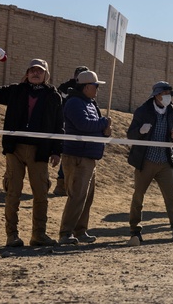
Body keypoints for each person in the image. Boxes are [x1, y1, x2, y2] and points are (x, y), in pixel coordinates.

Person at [0, 55, 64, 247]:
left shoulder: (54, 95)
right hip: (14, 149)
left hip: (40, 151)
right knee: (13, 193)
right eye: (32, 70)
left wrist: (57, 151)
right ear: (26, 73)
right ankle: (12, 235)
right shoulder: (16, 91)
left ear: (46, 75)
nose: (35, 73)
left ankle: (39, 235)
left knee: (41, 194)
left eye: (39, 70)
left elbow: (59, 125)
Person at [126, 81, 173, 245]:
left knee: (172, 197)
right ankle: (135, 230)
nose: (168, 97)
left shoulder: (172, 112)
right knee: (138, 197)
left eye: (169, 94)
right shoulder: (143, 111)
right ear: (156, 95)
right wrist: (140, 131)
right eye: (165, 94)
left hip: (164, 160)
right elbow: (131, 135)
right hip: (146, 160)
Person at [58, 70, 111, 245]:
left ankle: (80, 230)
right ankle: (66, 232)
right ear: (87, 86)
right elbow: (84, 125)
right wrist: (104, 123)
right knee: (77, 196)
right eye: (95, 86)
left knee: (87, 197)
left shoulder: (90, 104)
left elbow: (92, 128)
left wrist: (104, 132)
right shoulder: (74, 103)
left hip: (88, 156)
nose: (97, 89)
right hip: (77, 156)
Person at [53, 65, 89, 196]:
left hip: (79, 128)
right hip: (65, 125)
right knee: (67, 153)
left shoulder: (87, 89)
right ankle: (61, 184)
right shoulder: (65, 88)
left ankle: (67, 184)